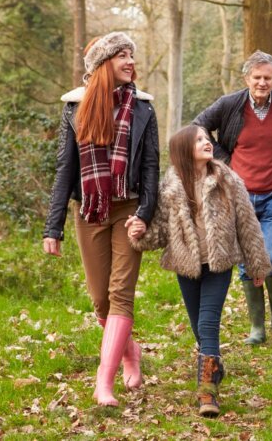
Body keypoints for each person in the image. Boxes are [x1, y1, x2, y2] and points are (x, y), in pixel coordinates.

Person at [42, 32, 159, 407]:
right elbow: (65, 168)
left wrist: (145, 212)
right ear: (102, 64)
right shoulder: (75, 109)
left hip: (129, 209)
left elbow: (153, 166)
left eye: (131, 55)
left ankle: (102, 383)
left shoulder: (142, 108)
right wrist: (53, 226)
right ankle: (130, 353)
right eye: (121, 55)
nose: (130, 61)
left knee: (120, 293)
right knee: (99, 301)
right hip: (90, 210)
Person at [127, 125, 271, 418]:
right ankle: (213, 363)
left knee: (207, 324)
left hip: (219, 264)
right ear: (183, 150)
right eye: (199, 140)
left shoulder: (227, 180)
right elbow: (160, 233)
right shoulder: (170, 187)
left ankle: (207, 393)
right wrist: (139, 231)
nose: (207, 143)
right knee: (198, 329)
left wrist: (257, 264)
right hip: (187, 267)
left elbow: (248, 224)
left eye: (207, 138)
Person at [193, 51, 272, 345]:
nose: (262, 83)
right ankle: (257, 326)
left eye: (267, 78)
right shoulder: (230, 104)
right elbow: (198, 124)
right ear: (247, 78)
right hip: (240, 196)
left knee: (271, 256)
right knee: (248, 261)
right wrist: (223, 159)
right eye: (257, 77)